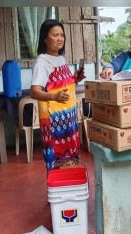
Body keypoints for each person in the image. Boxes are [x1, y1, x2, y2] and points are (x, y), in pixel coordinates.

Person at [30, 19, 85, 170]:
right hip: (54, 121)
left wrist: (75, 78)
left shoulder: (60, 58)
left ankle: (69, 189)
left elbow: (60, 84)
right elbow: (35, 91)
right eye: (55, 35)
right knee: (57, 160)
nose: (60, 39)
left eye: (62, 35)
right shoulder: (42, 62)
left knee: (70, 160)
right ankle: (58, 190)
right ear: (45, 39)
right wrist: (54, 97)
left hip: (68, 118)